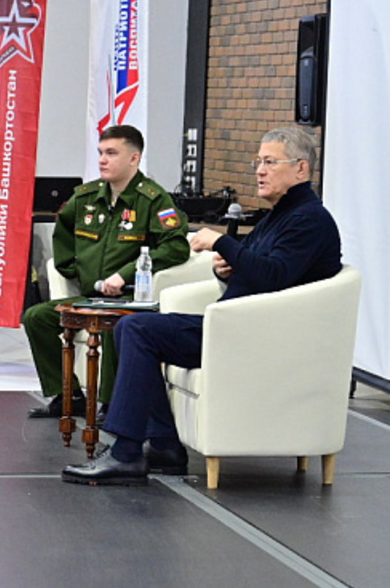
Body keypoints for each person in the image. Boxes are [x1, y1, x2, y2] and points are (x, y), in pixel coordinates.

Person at [63, 125, 343, 486]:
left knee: (136, 329)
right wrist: (228, 271)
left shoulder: (308, 219)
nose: (259, 170)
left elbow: (273, 277)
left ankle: (127, 453)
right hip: (237, 326)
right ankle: (162, 445)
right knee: (135, 327)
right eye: (258, 161)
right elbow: (262, 276)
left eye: (270, 162)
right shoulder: (279, 214)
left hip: (257, 337)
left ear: (301, 169)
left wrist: (223, 245)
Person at [22, 125, 188, 417]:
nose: (102, 160)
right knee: (37, 317)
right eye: (100, 153)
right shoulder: (86, 197)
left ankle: (113, 404)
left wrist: (124, 274)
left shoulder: (153, 199)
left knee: (115, 326)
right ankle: (67, 394)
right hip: (90, 297)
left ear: (134, 159)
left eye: (112, 153)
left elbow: (175, 247)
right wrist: (70, 269)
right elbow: (62, 230)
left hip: (130, 299)